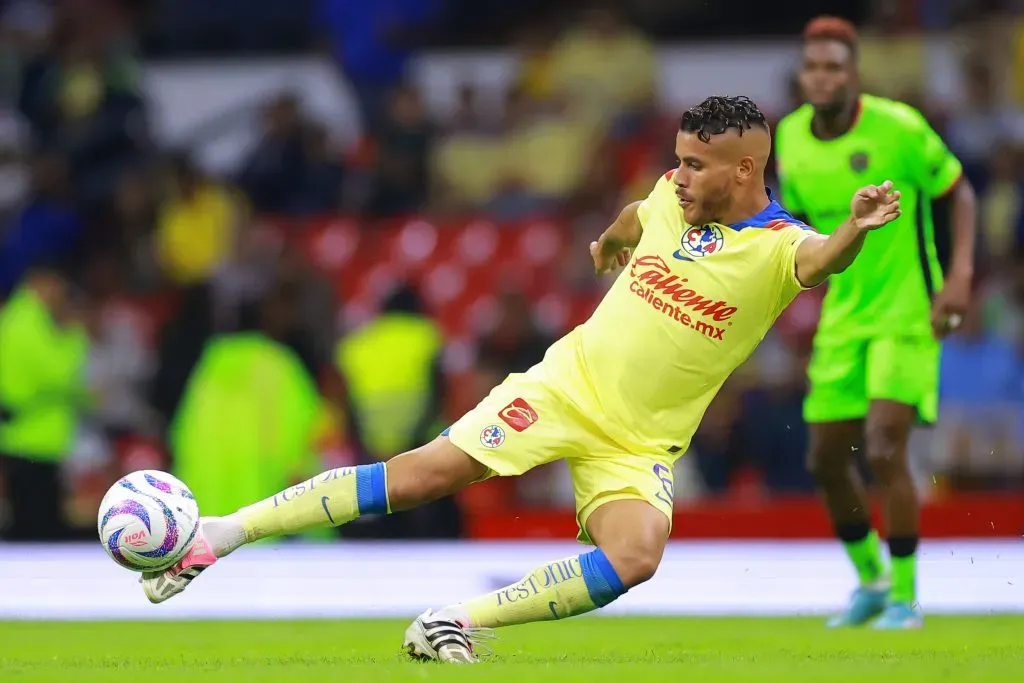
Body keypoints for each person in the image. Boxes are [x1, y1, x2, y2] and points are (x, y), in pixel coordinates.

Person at [136, 96, 902, 661]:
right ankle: (218, 535)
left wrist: (854, 230)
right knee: (420, 476)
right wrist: (610, 240)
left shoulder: (779, 246)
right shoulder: (671, 197)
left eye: (696, 164)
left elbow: (819, 259)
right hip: (563, 387)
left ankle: (458, 619)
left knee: (636, 557)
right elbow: (642, 210)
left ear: (745, 168)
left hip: (641, 442)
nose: (680, 173)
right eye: (678, 157)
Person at [774, 16, 977, 630]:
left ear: (854, 73)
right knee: (824, 462)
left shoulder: (899, 127)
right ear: (802, 74)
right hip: (842, 317)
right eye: (813, 66)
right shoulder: (789, 137)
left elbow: (958, 191)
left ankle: (906, 600)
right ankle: (871, 582)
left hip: (907, 311)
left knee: (886, 447)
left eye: (835, 66)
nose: (823, 76)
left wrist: (960, 276)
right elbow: (800, 229)